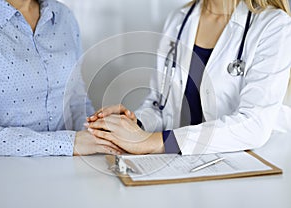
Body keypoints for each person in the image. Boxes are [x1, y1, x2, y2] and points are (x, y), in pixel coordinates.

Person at [87, 0, 291, 155]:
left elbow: (254, 125)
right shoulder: (179, 19)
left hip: (253, 164)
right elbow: (159, 105)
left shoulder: (275, 26)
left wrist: (155, 142)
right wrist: (136, 125)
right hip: (186, 165)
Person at [0, 0, 122, 156]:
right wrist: (69, 143)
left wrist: (103, 131)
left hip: (70, 169)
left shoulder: (63, 16)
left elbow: (76, 100)